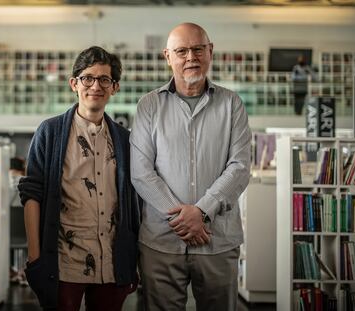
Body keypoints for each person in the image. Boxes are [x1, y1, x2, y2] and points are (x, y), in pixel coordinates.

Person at [130, 23, 251, 311]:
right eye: (181, 51)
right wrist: (183, 220)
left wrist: (202, 212)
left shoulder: (232, 104)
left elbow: (240, 168)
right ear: (167, 56)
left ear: (210, 52)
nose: (190, 57)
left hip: (217, 240)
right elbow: (141, 172)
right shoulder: (149, 106)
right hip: (161, 243)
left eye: (198, 49)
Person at [18, 46, 140, 311]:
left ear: (114, 87)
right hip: (63, 262)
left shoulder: (125, 140)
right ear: (74, 83)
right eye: (88, 78)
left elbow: (134, 200)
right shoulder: (49, 132)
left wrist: (132, 257)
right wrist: (35, 256)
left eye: (104, 79)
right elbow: (31, 194)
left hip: (111, 261)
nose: (96, 85)